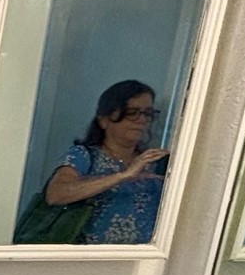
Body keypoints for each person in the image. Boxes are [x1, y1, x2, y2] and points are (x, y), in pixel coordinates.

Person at [41, 79, 169, 245]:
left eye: (148, 114)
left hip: (143, 260)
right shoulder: (84, 155)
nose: (141, 120)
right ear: (104, 120)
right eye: (132, 112)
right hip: (90, 260)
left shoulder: (155, 162)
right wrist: (123, 176)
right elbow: (56, 194)